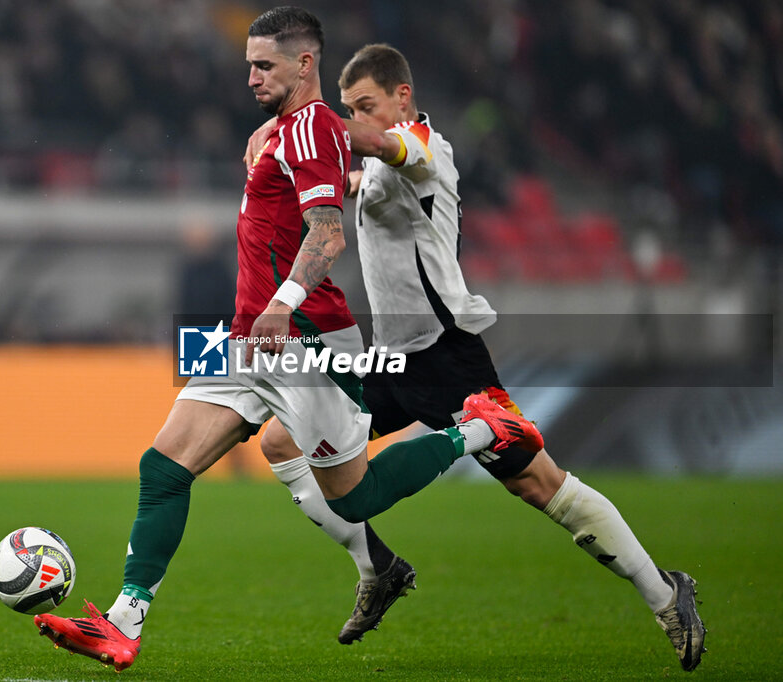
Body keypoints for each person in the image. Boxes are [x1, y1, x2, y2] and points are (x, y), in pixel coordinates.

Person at [33, 7, 542, 672]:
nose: (250, 75)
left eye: (264, 65)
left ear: (306, 64)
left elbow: (327, 232)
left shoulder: (311, 130)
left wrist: (283, 304)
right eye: (248, 63)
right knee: (163, 467)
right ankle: (122, 622)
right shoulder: (287, 130)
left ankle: (481, 429)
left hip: (307, 339)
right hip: (250, 338)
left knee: (353, 497)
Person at [254, 44, 706, 671]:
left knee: (540, 485)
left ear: (402, 97)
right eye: (350, 107)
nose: (356, 117)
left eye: (366, 105)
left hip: (448, 359)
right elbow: (351, 175)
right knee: (281, 440)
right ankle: (376, 568)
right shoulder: (379, 165)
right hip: (390, 357)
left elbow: (383, 152)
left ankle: (665, 593)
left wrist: (314, 125)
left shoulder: (423, 148)